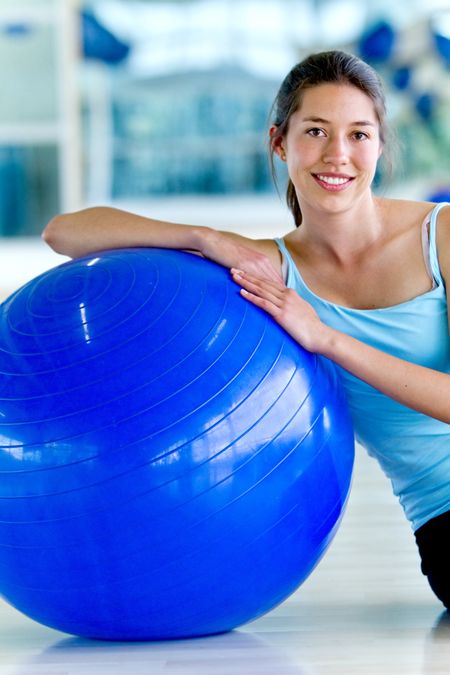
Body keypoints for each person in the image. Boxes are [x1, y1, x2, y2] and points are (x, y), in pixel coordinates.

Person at [42, 50, 450, 610]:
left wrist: (328, 339)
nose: (338, 155)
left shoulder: (441, 235)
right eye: (316, 131)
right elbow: (65, 232)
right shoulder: (269, 272)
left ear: (380, 144)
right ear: (279, 143)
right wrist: (202, 237)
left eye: (359, 134)